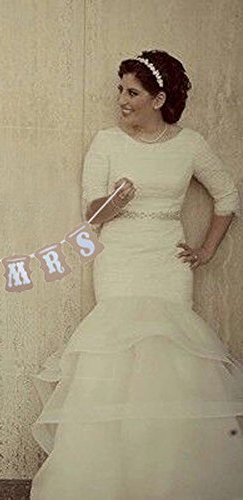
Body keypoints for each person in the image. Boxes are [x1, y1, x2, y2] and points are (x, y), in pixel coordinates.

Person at [30, 50, 243, 499]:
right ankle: (107, 480)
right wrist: (116, 200)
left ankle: (166, 480)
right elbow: (92, 216)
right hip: (120, 261)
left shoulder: (190, 145)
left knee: (169, 362)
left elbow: (227, 196)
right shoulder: (106, 141)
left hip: (168, 264)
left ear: (158, 99)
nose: (122, 101)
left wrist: (206, 249)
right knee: (115, 358)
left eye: (132, 93)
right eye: (120, 90)